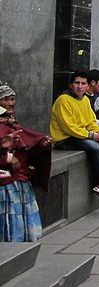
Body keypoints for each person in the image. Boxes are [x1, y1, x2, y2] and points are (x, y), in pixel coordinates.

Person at [50, 71, 99, 199]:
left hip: (82, 135)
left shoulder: (86, 100)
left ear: (87, 86)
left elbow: (91, 122)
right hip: (65, 138)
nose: (79, 86)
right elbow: (69, 127)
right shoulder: (63, 99)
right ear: (71, 85)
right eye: (77, 83)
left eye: (83, 83)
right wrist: (92, 136)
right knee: (96, 148)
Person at [0, 83, 52, 241]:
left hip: (19, 183)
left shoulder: (13, 124)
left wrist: (42, 146)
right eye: (6, 100)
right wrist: (8, 157)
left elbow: (25, 151)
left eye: (12, 99)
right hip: (5, 185)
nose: (10, 103)